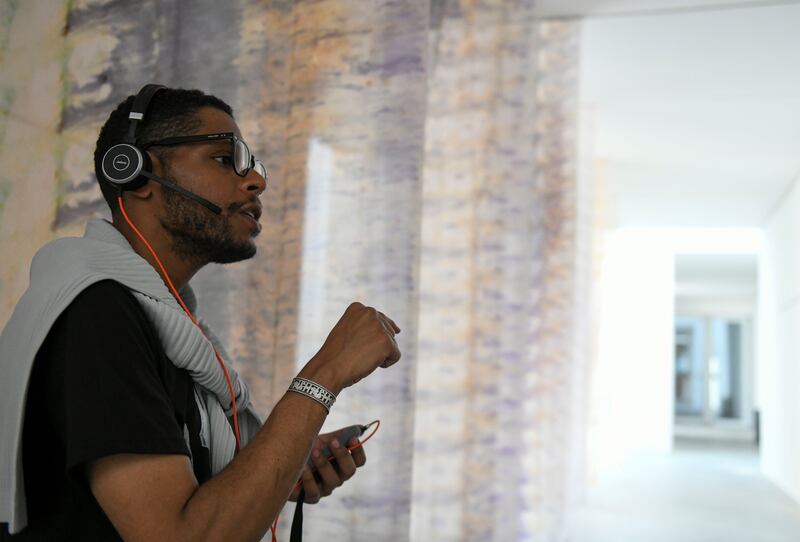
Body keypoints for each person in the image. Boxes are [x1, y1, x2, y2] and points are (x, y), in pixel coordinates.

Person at [0, 85, 401, 541]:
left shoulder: (165, 322)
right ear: (133, 171)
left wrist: (283, 463)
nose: (255, 181)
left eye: (251, 164)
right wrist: (325, 373)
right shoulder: (96, 313)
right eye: (223, 157)